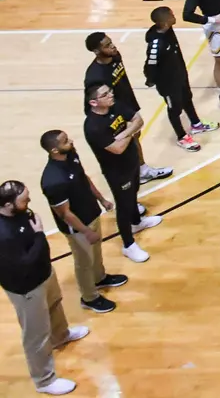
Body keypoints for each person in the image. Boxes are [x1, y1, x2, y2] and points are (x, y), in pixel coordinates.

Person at [0, 180, 90, 395]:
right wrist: (40, 234)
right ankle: (44, 381)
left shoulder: (20, 213)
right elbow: (24, 263)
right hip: (26, 288)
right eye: (24, 199)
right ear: (8, 205)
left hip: (44, 274)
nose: (29, 201)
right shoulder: (3, 234)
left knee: (55, 306)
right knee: (36, 335)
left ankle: (61, 335)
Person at [39, 130, 127, 313]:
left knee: (96, 251)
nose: (70, 141)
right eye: (65, 141)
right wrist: (86, 231)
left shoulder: (71, 155)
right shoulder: (53, 180)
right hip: (77, 228)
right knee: (84, 261)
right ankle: (89, 297)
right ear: (54, 150)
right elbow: (65, 214)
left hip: (91, 213)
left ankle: (99, 277)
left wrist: (101, 200)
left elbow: (84, 178)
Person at [82, 84, 162, 264]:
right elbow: (117, 149)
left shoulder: (114, 105)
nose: (111, 94)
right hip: (117, 171)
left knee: (134, 192)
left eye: (109, 91)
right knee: (124, 204)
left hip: (132, 160)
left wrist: (126, 132)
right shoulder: (93, 127)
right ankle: (128, 244)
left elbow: (139, 120)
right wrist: (131, 132)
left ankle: (137, 222)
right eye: (105, 94)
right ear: (94, 102)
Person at [82, 34, 171, 185]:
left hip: (127, 103)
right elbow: (92, 104)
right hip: (114, 113)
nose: (112, 46)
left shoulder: (115, 56)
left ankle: (141, 170)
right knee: (126, 142)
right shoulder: (95, 76)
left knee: (135, 136)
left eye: (111, 42)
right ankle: (135, 175)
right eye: (107, 45)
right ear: (97, 51)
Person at [145, 6, 219, 150]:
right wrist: (151, 80)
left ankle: (196, 124)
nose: (174, 16)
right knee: (174, 109)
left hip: (180, 74)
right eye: (171, 15)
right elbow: (150, 64)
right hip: (167, 83)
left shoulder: (168, 30)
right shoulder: (156, 45)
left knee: (187, 98)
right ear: (165, 22)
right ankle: (181, 137)